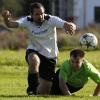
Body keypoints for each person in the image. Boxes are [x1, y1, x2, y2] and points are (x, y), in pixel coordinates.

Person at [2, 2, 76, 95]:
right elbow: (10, 24)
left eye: (42, 13)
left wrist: (71, 26)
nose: (40, 16)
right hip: (34, 50)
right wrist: (5, 19)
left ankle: (40, 90)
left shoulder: (51, 19)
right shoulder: (27, 21)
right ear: (31, 15)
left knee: (43, 93)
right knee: (34, 61)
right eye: (37, 14)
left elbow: (67, 24)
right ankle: (31, 89)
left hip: (50, 57)